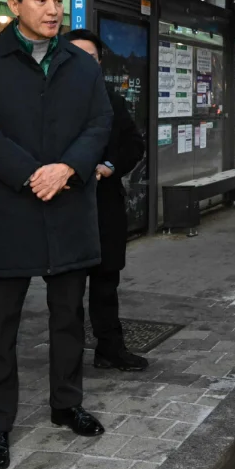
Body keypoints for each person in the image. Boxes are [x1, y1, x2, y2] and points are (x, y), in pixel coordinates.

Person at [0, 0, 113, 469]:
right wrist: (30, 174)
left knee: (69, 316)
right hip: (8, 208)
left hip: (67, 204)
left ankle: (67, 404)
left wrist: (67, 168)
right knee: (1, 324)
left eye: (57, 0)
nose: (52, 9)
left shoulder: (81, 63)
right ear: (14, 4)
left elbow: (100, 122)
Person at [64, 29, 148, 371]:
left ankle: (110, 349)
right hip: (65, 205)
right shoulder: (46, 101)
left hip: (104, 203)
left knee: (105, 284)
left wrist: (110, 166)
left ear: (99, 63)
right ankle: (67, 356)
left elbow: (133, 144)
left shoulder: (112, 100)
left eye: (90, 57)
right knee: (67, 290)